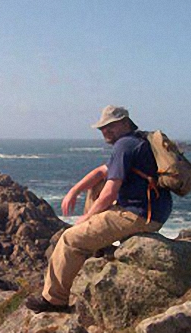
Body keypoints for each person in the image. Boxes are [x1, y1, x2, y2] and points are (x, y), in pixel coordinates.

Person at [26, 105, 173, 313]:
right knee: (95, 186)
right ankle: (98, 247)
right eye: (103, 128)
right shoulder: (135, 141)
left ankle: (54, 301)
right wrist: (74, 191)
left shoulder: (124, 146)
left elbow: (110, 193)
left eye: (110, 126)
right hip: (152, 211)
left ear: (125, 123)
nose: (106, 131)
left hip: (138, 215)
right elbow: (101, 173)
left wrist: (86, 218)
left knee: (70, 239)